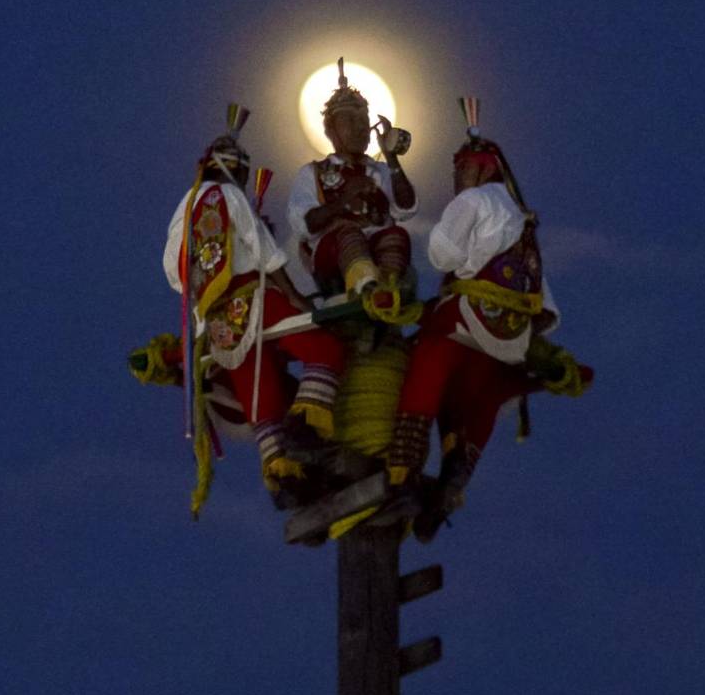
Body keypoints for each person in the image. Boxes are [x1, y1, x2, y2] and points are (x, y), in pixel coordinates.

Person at [386, 100, 587, 539]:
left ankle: (401, 476)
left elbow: (442, 253)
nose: (456, 180)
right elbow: (544, 307)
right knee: (478, 393)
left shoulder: (474, 201)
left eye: (460, 171)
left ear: (479, 169)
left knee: (424, 360)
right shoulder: (523, 221)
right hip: (510, 335)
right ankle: (454, 475)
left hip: (467, 316)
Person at [164, 110, 344, 502]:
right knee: (326, 349)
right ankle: (306, 425)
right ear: (236, 173)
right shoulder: (230, 196)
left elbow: (173, 272)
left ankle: (283, 476)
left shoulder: (184, 208)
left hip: (217, 326)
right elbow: (265, 253)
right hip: (256, 299)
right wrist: (295, 297)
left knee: (262, 400)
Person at [286, 59, 417, 319]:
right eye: (350, 120)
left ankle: (387, 291)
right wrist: (344, 201)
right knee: (349, 234)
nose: (360, 128)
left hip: (379, 253)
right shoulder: (313, 172)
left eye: (364, 120)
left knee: (396, 234)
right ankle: (366, 290)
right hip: (334, 261)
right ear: (331, 130)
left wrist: (392, 159)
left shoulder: (378, 170)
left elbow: (406, 208)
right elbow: (303, 223)